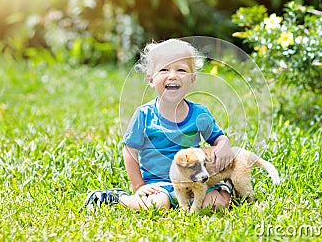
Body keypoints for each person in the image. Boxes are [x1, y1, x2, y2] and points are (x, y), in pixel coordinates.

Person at [85, 39, 234, 211]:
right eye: (164, 70)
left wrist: (224, 145)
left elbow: (218, 138)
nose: (172, 76)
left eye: (181, 70)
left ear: (192, 79)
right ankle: (117, 198)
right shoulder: (144, 115)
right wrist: (139, 186)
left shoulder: (200, 114)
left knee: (218, 203)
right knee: (157, 204)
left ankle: (200, 198)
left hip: (195, 182)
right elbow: (130, 151)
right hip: (160, 185)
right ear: (150, 79)